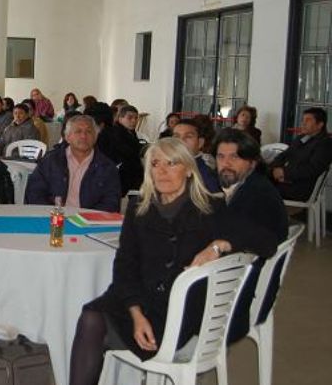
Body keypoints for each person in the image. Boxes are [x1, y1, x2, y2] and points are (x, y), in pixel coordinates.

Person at [68, 138, 276, 385]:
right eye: (155, 164)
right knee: (91, 317)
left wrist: (218, 246)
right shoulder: (139, 208)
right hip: (140, 302)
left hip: (181, 310)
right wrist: (135, 314)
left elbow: (267, 240)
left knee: (95, 330)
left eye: (172, 163)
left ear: (188, 169)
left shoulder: (209, 208)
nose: (162, 171)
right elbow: (125, 265)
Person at [212, 128, 288, 344]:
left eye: (235, 157)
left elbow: (232, 237)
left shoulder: (256, 196)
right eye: (220, 156)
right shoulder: (250, 186)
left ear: (253, 163)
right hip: (246, 284)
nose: (226, 163)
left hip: (238, 299)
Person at [25, 115, 121, 211]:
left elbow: (111, 202)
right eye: (78, 131)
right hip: (53, 217)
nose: (83, 136)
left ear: (96, 137)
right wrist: (52, 212)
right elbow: (34, 192)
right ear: (67, 137)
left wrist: (87, 217)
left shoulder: (107, 167)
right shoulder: (50, 161)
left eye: (89, 131)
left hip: (89, 221)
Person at [270, 107, 332, 201]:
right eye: (303, 120)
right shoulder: (301, 138)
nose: (303, 123)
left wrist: (285, 173)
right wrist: (275, 169)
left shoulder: (325, 143)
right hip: (286, 180)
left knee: (258, 190)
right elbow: (284, 155)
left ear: (320, 125)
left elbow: (313, 169)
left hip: (299, 188)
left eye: (308, 120)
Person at [171, 119, 220, 192]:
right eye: (176, 137)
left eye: (188, 136)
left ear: (200, 143)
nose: (181, 141)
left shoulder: (206, 175)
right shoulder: (164, 167)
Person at [104, 105, 145, 195]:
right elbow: (128, 153)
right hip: (123, 176)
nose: (134, 121)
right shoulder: (115, 133)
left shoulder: (130, 132)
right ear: (120, 118)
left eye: (136, 118)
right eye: (130, 118)